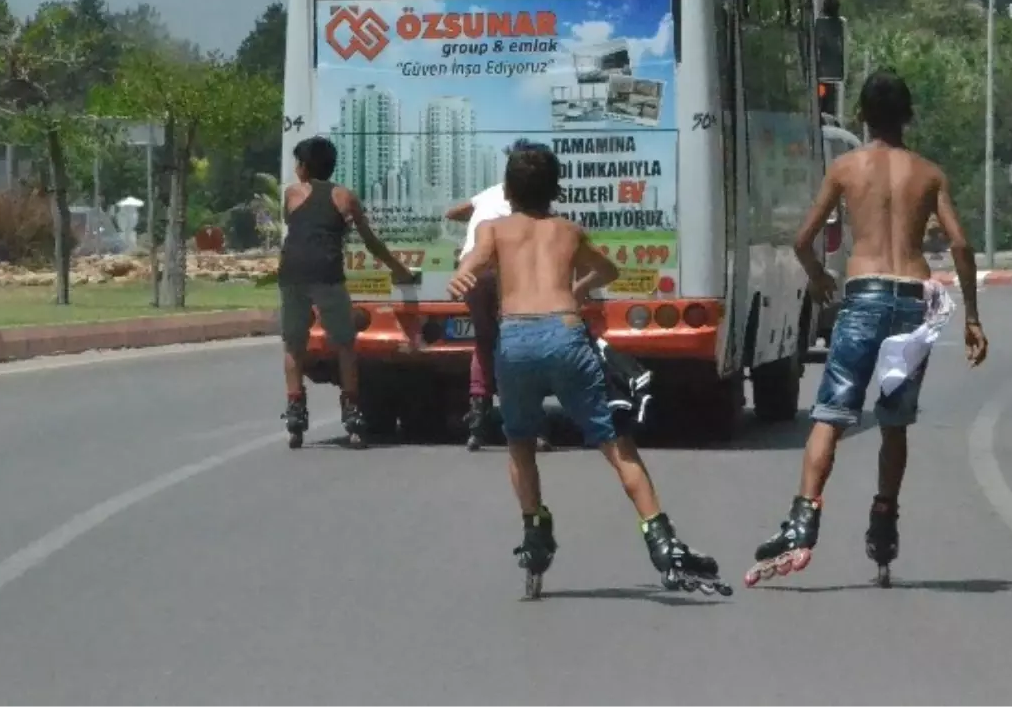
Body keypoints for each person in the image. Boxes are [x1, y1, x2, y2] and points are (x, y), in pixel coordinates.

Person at [447, 142, 730, 595]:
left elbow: (473, 262)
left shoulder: (496, 230)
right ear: (555, 190)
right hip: (565, 334)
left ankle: (534, 528)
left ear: (509, 191)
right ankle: (661, 538)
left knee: (519, 443)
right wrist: (575, 290)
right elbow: (608, 272)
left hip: (516, 339)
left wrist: (463, 273)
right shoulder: (568, 231)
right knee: (616, 443)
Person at [747, 70, 988, 585]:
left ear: (861, 115)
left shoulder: (845, 168)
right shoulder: (929, 174)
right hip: (915, 301)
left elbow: (803, 238)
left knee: (832, 412)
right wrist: (971, 316)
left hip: (864, 293)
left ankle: (804, 517)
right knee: (894, 419)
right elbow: (962, 246)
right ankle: (884, 520)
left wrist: (816, 278)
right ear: (909, 116)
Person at [279, 137, 416, 449]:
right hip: (327, 275)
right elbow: (370, 241)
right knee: (344, 345)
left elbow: (296, 225)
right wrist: (399, 270)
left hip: (292, 274)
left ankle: (295, 412)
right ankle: (352, 412)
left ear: (303, 167)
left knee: (293, 345)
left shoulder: (291, 194)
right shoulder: (344, 196)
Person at [445, 176, 551, 453]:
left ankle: (477, 422)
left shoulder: (489, 193)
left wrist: (473, 220)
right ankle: (532, 424)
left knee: (483, 341)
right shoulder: (529, 201)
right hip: (504, 267)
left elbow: (452, 212)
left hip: (472, 270)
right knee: (521, 341)